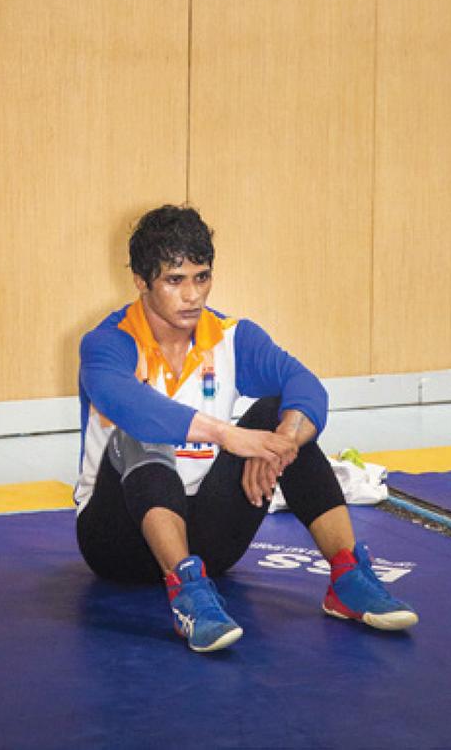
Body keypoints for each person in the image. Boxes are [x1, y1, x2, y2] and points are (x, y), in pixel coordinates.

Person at [76, 205, 418, 651]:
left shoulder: (233, 337)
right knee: (137, 432)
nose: (192, 296)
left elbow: (306, 388)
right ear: (142, 282)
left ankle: (347, 577)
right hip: (119, 539)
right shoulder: (106, 342)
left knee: (280, 414)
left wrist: (281, 446)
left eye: (202, 277)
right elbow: (132, 408)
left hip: (211, 539)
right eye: (174, 281)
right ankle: (188, 595)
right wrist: (229, 435)